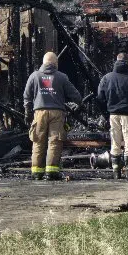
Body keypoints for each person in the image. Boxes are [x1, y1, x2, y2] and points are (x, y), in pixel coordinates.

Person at [24, 52, 82, 180]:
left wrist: (27, 113)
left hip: (39, 112)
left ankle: (37, 172)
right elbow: (75, 95)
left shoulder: (34, 76)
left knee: (38, 141)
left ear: (43, 62)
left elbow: (27, 96)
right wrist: (77, 104)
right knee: (54, 141)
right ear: (55, 63)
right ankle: (51, 171)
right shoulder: (61, 77)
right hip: (57, 112)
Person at [97, 53, 128, 179]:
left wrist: (108, 108)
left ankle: (116, 171)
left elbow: (100, 97)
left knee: (115, 141)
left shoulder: (106, 78)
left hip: (113, 114)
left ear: (116, 61)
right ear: (127, 62)